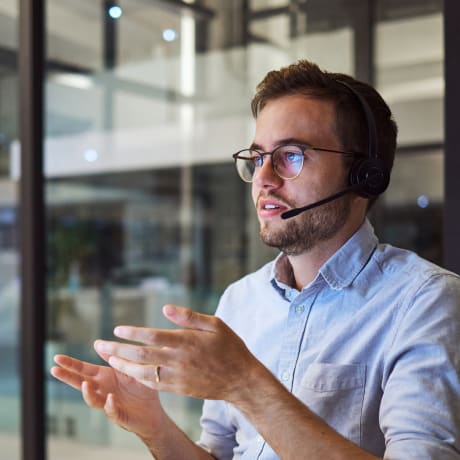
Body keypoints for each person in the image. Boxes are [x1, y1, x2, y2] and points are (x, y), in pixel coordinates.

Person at [51, 59, 460, 459]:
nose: (264, 178)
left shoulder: (424, 301)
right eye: (258, 157)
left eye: (291, 156)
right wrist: (154, 427)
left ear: (363, 177)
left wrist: (245, 382)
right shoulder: (240, 300)